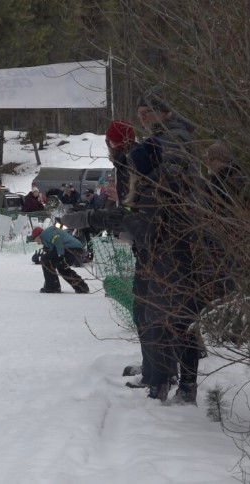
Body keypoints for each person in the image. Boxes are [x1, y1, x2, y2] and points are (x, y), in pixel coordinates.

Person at [126, 88, 199, 403]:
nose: (143, 117)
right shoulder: (162, 138)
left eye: (148, 112)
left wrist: (143, 190)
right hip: (162, 237)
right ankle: (161, 377)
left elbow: (170, 188)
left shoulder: (174, 139)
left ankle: (179, 384)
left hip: (175, 237)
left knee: (174, 315)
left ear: (164, 111)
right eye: (140, 113)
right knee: (157, 312)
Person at [32, 226, 89, 294]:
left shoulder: (45, 234)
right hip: (76, 249)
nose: (37, 242)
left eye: (35, 240)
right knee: (62, 268)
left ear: (38, 236)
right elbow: (54, 247)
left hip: (71, 248)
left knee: (45, 260)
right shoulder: (47, 236)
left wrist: (60, 255)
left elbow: (57, 239)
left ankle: (52, 287)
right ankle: (82, 287)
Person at [105, 120, 136, 205]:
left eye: (108, 142)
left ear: (114, 145)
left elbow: (136, 210)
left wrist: (121, 197)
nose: (107, 147)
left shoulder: (129, 165)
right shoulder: (126, 161)